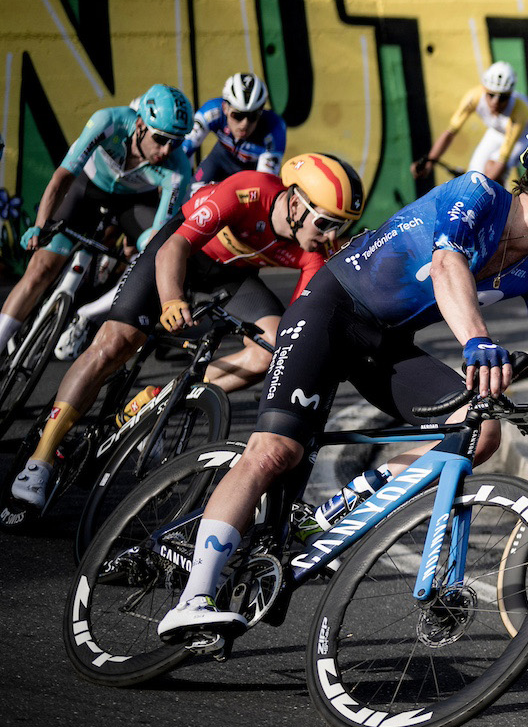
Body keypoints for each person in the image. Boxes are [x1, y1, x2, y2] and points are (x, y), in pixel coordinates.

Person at [155, 127, 528, 639]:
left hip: (383, 344)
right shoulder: (479, 195)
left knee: (478, 431)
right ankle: (193, 596)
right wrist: (476, 341)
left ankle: (339, 507)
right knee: (273, 453)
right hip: (330, 311)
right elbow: (447, 263)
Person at [5, 154, 364, 519]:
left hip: (229, 274)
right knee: (117, 342)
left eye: (342, 227)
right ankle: (41, 458)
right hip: (179, 251)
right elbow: (174, 249)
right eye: (326, 223)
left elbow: (297, 326)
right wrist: (172, 299)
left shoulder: (316, 250)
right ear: (296, 202)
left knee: (270, 348)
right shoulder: (247, 191)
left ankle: (160, 398)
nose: (332, 236)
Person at [0, 85, 196, 358]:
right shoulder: (110, 122)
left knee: (155, 248)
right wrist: (40, 224)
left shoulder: (177, 169)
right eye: (161, 139)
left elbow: (160, 241)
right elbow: (63, 177)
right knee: (42, 269)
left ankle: (88, 315)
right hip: (87, 188)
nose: (167, 150)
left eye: (176, 142)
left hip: (133, 204)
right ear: (140, 124)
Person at [413, 61, 528, 185]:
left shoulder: (520, 110)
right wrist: (430, 162)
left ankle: (500, 207)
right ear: (484, 89)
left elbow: (503, 158)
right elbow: (450, 133)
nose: (495, 103)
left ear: (510, 95)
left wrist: (482, 185)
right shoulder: (474, 96)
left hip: (525, 137)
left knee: (490, 170)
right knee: (473, 174)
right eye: (491, 95)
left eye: (503, 97)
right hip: (498, 131)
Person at [189, 72, 288, 185]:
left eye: (253, 116)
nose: (244, 124)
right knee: (190, 193)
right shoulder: (213, 112)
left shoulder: (274, 128)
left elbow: (264, 182)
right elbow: (184, 151)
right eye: (237, 116)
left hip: (250, 172)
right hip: (219, 160)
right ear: (225, 108)